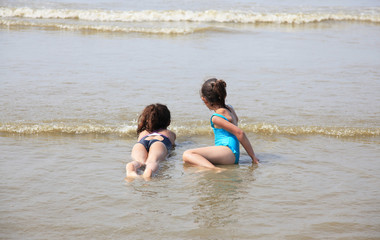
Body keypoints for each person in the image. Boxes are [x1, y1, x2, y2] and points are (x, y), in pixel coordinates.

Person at [182, 78, 259, 170]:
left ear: (204, 100)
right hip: (233, 154)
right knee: (195, 166)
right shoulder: (230, 109)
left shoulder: (216, 118)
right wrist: (252, 156)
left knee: (187, 154)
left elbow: (240, 133)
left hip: (228, 152)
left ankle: (216, 170)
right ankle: (213, 169)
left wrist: (253, 157)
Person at [126, 103, 176, 179]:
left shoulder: (143, 133)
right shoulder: (169, 133)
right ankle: (148, 172)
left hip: (141, 144)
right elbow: (172, 146)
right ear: (168, 121)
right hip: (159, 143)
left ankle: (131, 168)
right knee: (152, 161)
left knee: (139, 162)